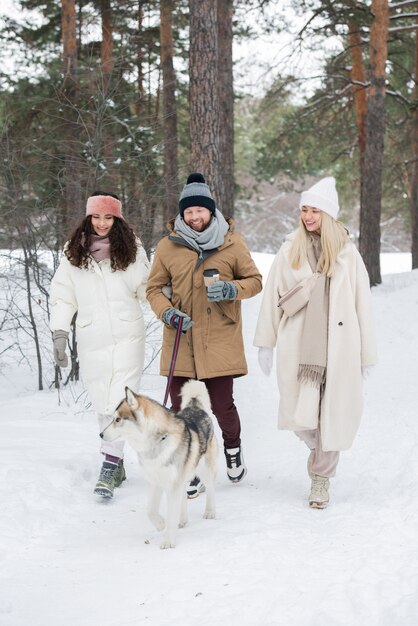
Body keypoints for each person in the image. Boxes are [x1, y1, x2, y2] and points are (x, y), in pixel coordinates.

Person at [254, 177, 377, 508]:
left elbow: (361, 305)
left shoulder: (348, 256)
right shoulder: (289, 250)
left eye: (315, 210)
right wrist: (266, 341)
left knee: (333, 413)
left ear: (329, 214)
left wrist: (366, 354)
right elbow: (272, 298)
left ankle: (320, 479)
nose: (308, 216)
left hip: (339, 348)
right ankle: (319, 450)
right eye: (304, 210)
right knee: (300, 415)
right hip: (299, 347)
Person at [146, 172, 262, 496]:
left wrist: (230, 288)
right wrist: (167, 312)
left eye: (200, 210)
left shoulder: (232, 242)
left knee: (223, 406)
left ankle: (233, 448)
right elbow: (153, 288)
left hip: (219, 340)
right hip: (181, 340)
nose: (195, 216)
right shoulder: (168, 247)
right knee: (180, 410)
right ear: (182, 214)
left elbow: (254, 281)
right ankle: (191, 468)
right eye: (189, 211)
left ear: (211, 210)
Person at [49, 191, 150, 499]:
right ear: (88, 217)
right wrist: (59, 332)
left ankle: (108, 464)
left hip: (127, 336)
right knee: (102, 401)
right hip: (92, 337)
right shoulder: (73, 252)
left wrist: (169, 310)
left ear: (117, 219)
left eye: (109, 217)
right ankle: (116, 460)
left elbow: (147, 288)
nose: (102, 223)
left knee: (119, 401)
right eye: (97, 216)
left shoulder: (132, 249)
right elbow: (64, 295)